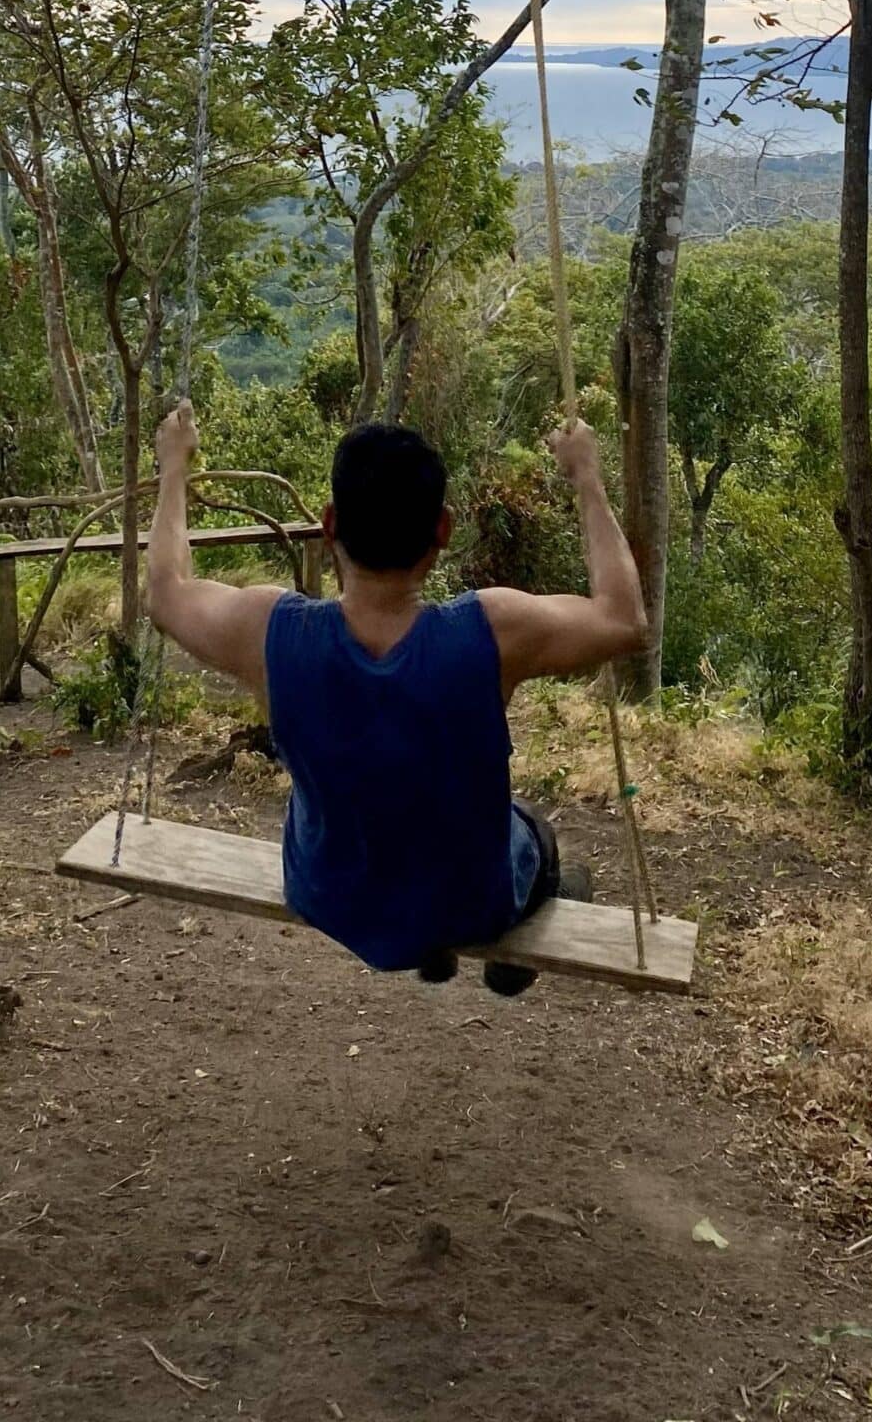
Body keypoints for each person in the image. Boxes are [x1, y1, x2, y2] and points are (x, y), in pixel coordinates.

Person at [145, 401, 648, 995]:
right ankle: (480, 932)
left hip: (331, 894)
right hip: (470, 903)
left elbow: (166, 591)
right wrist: (586, 478)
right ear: (443, 529)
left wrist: (173, 467)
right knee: (534, 829)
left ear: (330, 524)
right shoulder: (490, 630)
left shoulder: (272, 631)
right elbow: (623, 620)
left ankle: (424, 942)